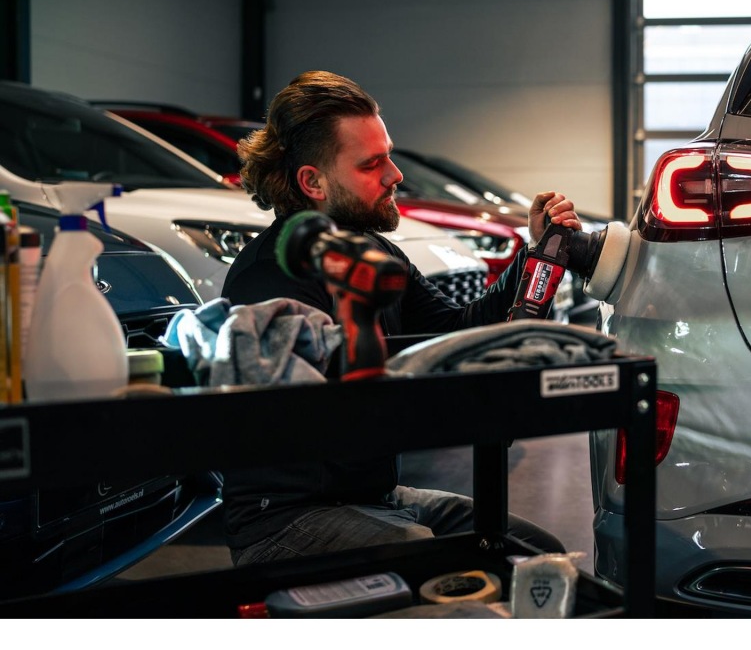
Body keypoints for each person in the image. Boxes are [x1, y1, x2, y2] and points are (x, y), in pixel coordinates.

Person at [220, 70, 582, 567]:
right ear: (312, 182)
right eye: (372, 164)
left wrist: (534, 252)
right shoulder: (270, 280)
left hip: (374, 498)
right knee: (428, 559)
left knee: (539, 553)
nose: (395, 174)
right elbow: (320, 418)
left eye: (388, 155)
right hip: (287, 519)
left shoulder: (373, 251)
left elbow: (456, 331)